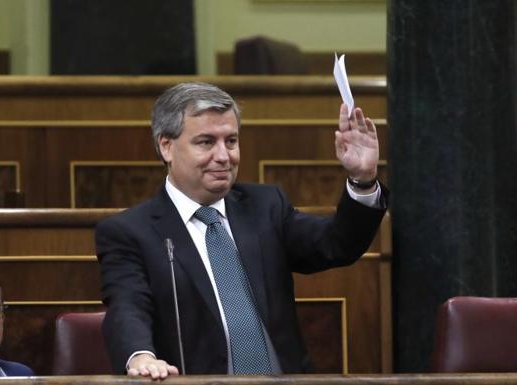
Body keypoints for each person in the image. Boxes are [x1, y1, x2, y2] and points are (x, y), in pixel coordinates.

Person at [96, 82, 387, 378]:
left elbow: (338, 244)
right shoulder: (129, 232)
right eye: (206, 142)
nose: (224, 156)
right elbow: (128, 305)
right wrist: (141, 357)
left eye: (231, 141)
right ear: (166, 146)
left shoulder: (266, 207)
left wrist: (362, 179)